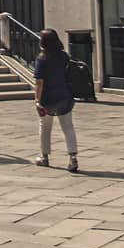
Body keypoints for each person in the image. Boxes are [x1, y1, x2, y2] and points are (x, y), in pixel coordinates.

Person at [33, 29, 79, 173]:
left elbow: (39, 82)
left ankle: (44, 156)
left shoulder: (42, 58)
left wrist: (37, 100)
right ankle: (73, 157)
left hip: (48, 98)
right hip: (64, 95)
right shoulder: (64, 56)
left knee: (45, 127)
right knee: (68, 127)